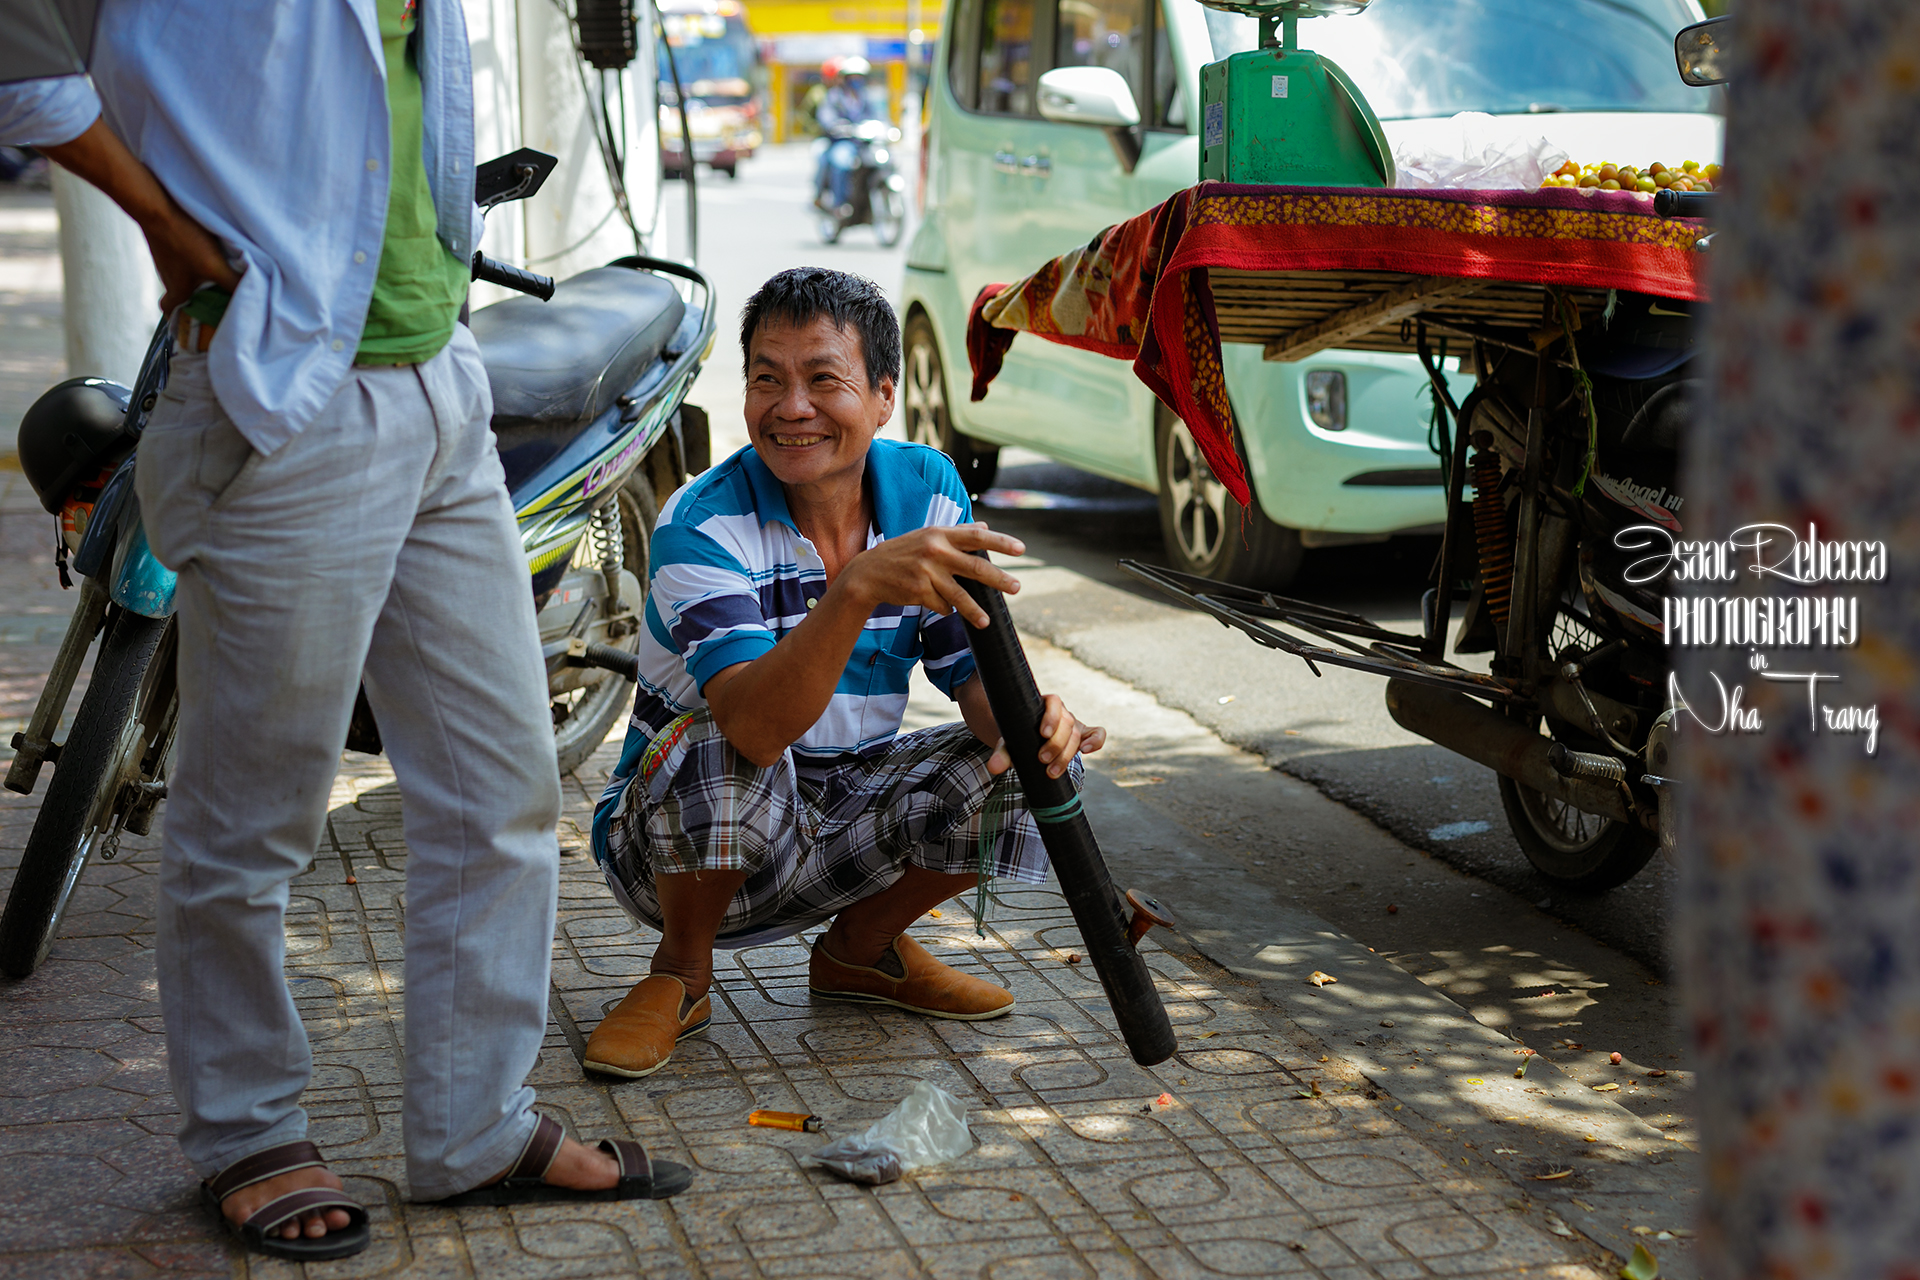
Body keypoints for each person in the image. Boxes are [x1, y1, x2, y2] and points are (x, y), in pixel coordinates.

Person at [0, 0, 688, 1262]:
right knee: (252, 812)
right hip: (282, 392)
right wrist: (157, 219)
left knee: (500, 782)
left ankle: (475, 1122)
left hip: (441, 379)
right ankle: (247, 1126)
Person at [581, 267, 1105, 1078]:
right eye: (767, 380)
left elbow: (974, 677)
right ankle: (681, 973)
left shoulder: (928, 488)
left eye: (824, 379)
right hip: (675, 840)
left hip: (842, 810)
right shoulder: (701, 521)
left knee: (1031, 759)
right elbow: (756, 726)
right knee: (725, 746)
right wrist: (855, 588)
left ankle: (861, 951)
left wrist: (1033, 724)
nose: (792, 408)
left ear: (885, 394)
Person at [812, 57, 879, 215]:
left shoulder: (866, 97)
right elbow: (826, 117)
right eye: (853, 77)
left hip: (864, 143)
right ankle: (840, 204)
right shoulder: (834, 96)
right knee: (841, 162)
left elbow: (878, 116)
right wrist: (837, 126)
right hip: (844, 142)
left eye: (859, 77)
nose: (856, 81)